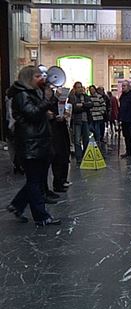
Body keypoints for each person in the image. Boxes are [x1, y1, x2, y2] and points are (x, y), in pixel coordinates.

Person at [6, 66, 61, 227]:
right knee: (34, 182)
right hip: (31, 144)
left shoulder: (31, 92)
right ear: (28, 78)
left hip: (37, 142)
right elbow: (32, 113)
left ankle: (17, 206)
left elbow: (36, 112)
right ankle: (41, 216)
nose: (41, 79)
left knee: (34, 180)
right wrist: (46, 101)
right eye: (37, 76)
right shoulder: (21, 94)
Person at [49, 89, 71, 193]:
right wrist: (54, 116)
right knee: (58, 157)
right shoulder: (50, 101)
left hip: (61, 129)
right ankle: (57, 183)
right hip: (55, 131)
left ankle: (62, 180)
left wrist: (65, 115)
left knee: (64, 154)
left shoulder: (56, 101)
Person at [68, 82, 92, 164]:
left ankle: (85, 155)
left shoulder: (85, 96)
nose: (80, 89)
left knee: (86, 139)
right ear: (74, 88)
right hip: (76, 121)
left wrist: (81, 105)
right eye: (78, 87)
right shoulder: (72, 97)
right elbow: (74, 108)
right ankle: (79, 157)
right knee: (77, 140)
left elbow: (90, 104)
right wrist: (84, 106)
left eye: (80, 87)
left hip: (85, 120)